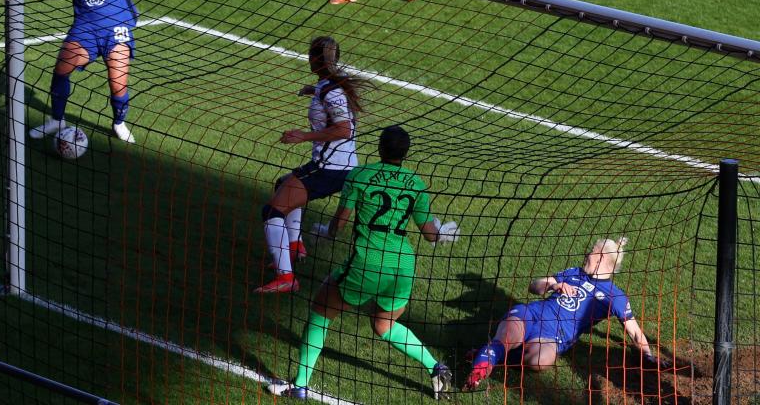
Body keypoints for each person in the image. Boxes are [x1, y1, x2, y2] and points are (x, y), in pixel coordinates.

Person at [268, 125, 453, 400]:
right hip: (403, 267)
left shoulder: (361, 175)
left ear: (380, 148)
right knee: (384, 325)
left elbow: (340, 222)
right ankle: (436, 367)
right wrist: (443, 233)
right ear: (405, 153)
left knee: (321, 308)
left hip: (367, 263)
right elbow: (429, 234)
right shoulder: (416, 183)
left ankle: (301, 385)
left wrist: (325, 232)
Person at [23, 0, 189, 144]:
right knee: (61, 69)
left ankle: (119, 123)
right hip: (85, 29)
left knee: (117, 83)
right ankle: (57, 120)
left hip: (117, 28)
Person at [463, 237, 670, 390]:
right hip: (532, 315)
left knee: (540, 361)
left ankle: (494, 355)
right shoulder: (574, 272)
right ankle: (482, 367)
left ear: (600, 258)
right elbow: (534, 286)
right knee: (509, 335)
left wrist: (648, 356)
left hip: (553, 338)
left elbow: (634, 331)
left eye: (591, 252)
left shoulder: (615, 296)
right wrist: (555, 285)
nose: (586, 255)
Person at [254, 36, 368, 294]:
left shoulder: (333, 90)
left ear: (315, 59)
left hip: (331, 168)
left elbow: (343, 129)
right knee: (284, 184)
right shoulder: (331, 83)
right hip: (336, 165)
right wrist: (312, 90)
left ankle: (286, 277)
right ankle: (295, 247)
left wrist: (304, 136)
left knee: (271, 211)